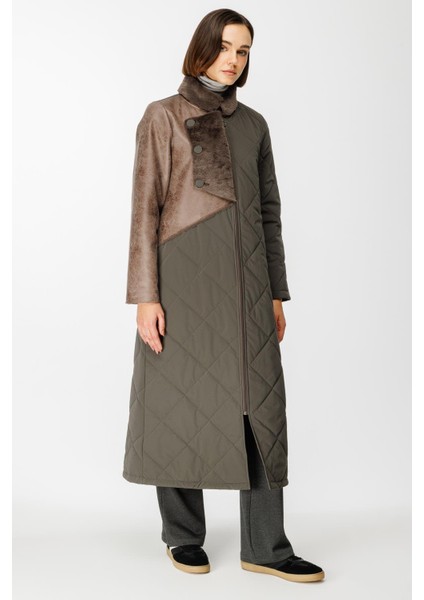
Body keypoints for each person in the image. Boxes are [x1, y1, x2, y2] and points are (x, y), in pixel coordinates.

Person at [122, 8, 325, 583]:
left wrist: (276, 292)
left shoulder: (254, 124)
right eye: (226, 47)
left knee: (260, 410)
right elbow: (145, 209)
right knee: (177, 404)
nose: (234, 60)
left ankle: (266, 547)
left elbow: (269, 212)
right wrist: (145, 295)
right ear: (202, 48)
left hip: (250, 286)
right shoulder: (162, 116)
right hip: (180, 284)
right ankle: (183, 536)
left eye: (244, 51)